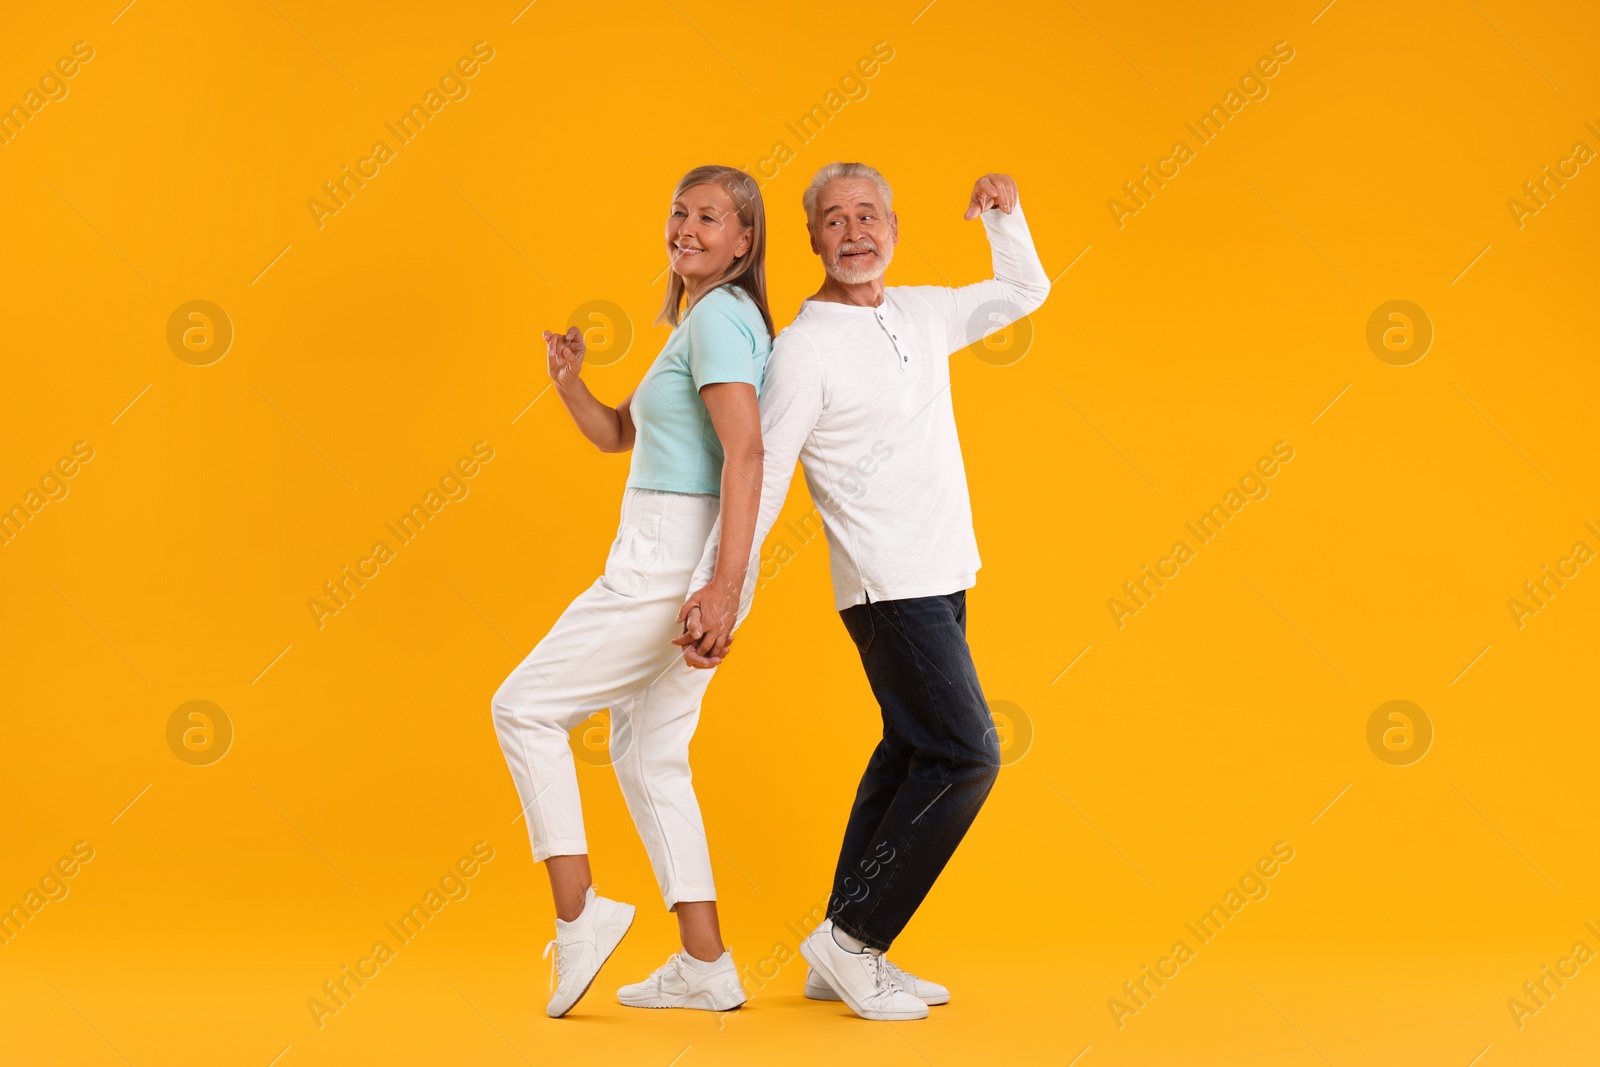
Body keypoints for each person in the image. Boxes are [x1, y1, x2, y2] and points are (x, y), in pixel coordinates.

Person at [680, 163, 1050, 1021]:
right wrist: (720, 586)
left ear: (894, 222)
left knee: (911, 750)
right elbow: (759, 470)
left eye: (868, 214)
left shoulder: (921, 310)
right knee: (967, 753)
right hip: (888, 587)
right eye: (834, 220)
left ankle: (844, 947)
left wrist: (1006, 215)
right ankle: (851, 942)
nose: (854, 231)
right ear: (811, 239)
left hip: (947, 571)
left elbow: (1023, 288)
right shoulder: (805, 347)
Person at [491, 164, 773, 1018]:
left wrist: (719, 586)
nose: (687, 226)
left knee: (523, 706)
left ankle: (579, 912)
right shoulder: (699, 326)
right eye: (679, 212)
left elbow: (747, 452)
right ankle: (705, 961)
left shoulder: (721, 319)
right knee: (649, 755)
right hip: (682, 556)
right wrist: (570, 384)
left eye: (711, 217)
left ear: (744, 240)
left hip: (667, 560)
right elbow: (620, 433)